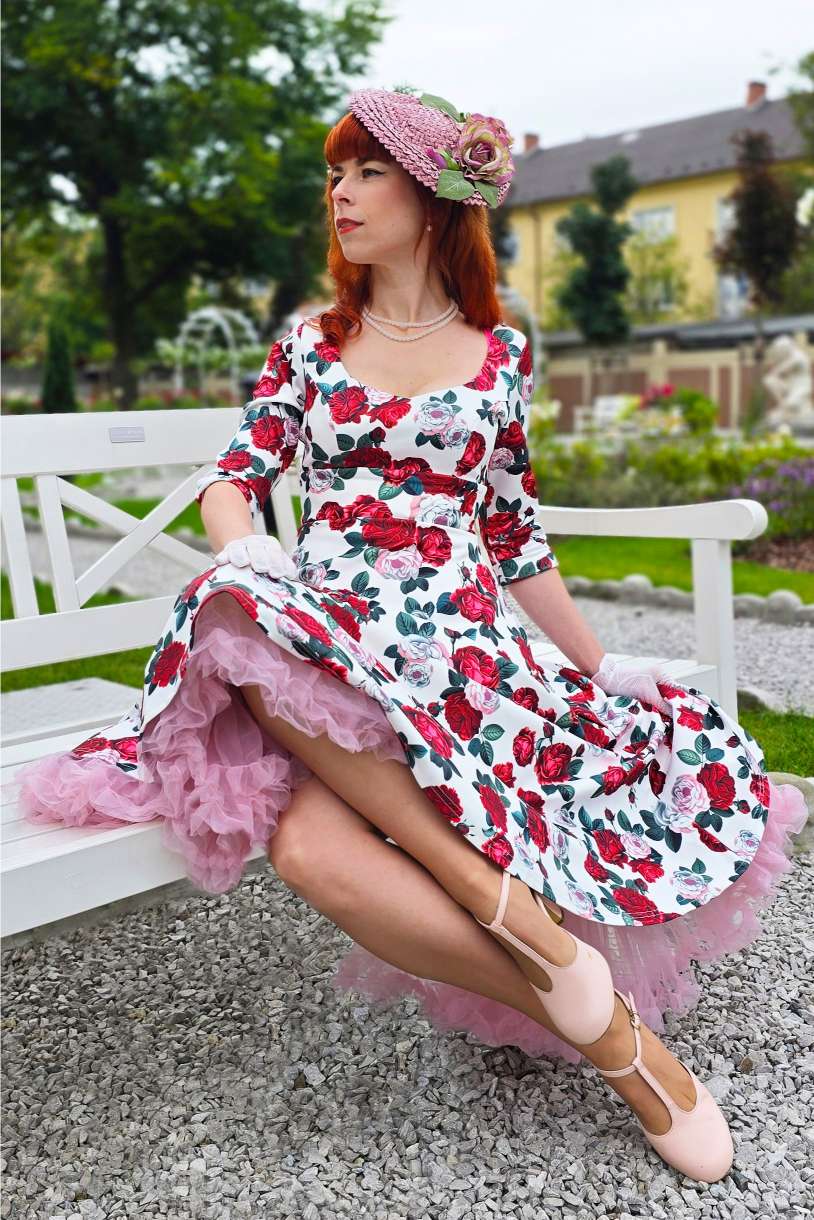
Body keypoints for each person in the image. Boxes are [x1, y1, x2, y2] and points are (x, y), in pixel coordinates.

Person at [13, 86, 807, 1184]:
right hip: (322, 632)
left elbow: (513, 534)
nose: (338, 192)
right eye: (335, 173)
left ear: (434, 200)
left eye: (365, 171)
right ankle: (583, 997)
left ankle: (595, 1010)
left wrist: (596, 662)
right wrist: (247, 549)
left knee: (306, 840)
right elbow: (233, 481)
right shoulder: (311, 345)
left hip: (456, 650)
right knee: (239, 627)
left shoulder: (499, 357)